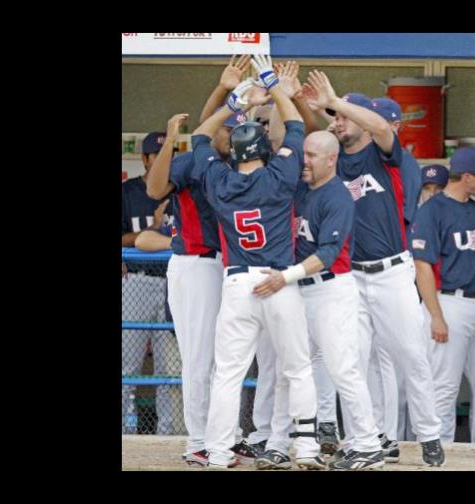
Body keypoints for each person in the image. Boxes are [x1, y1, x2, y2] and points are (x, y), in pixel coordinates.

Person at [303, 70, 445, 467]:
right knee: (354, 362)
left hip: (392, 273)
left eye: (344, 117)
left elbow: (382, 127)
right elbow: (316, 138)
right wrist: (307, 103)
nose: (337, 122)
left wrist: (336, 102)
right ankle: (365, 440)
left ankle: (430, 434)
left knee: (411, 356)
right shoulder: (336, 160)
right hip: (350, 277)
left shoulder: (385, 153)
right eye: (335, 118)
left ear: (361, 120)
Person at [188, 56, 322, 470]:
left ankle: (218, 452)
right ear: (265, 149)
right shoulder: (280, 174)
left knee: (228, 374)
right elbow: (295, 125)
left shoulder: (219, 179)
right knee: (297, 368)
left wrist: (235, 103)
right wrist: (274, 87)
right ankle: (307, 448)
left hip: (237, 283)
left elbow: (199, 135)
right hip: (277, 280)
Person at [144, 56, 271, 467]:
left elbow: (213, 129)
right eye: (229, 127)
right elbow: (154, 190)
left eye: (238, 128)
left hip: (227, 267)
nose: (233, 134)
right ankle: (198, 440)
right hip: (195, 263)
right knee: (200, 358)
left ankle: (224, 436)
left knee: (226, 359)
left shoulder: (237, 162)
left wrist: (233, 95)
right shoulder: (194, 159)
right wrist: (171, 140)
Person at [278, 130, 386, 470]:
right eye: (304, 154)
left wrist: (285, 277)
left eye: (312, 156)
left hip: (330, 290)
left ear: (331, 159)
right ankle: (291, 443)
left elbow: (327, 255)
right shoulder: (302, 190)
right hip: (301, 290)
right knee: (293, 370)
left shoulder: (338, 195)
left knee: (343, 369)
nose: (305, 161)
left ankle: (368, 445)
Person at [411, 147, 475, 444]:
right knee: (444, 387)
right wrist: (436, 316)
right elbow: (422, 266)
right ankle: (440, 450)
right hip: (450, 302)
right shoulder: (432, 210)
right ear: (467, 176)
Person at [122, 130, 180, 437]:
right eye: (158, 156)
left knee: (168, 368)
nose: (164, 162)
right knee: (127, 365)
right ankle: (124, 431)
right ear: (145, 159)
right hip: (137, 281)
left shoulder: (179, 190)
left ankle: (167, 434)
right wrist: (155, 228)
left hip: (174, 283)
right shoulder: (128, 192)